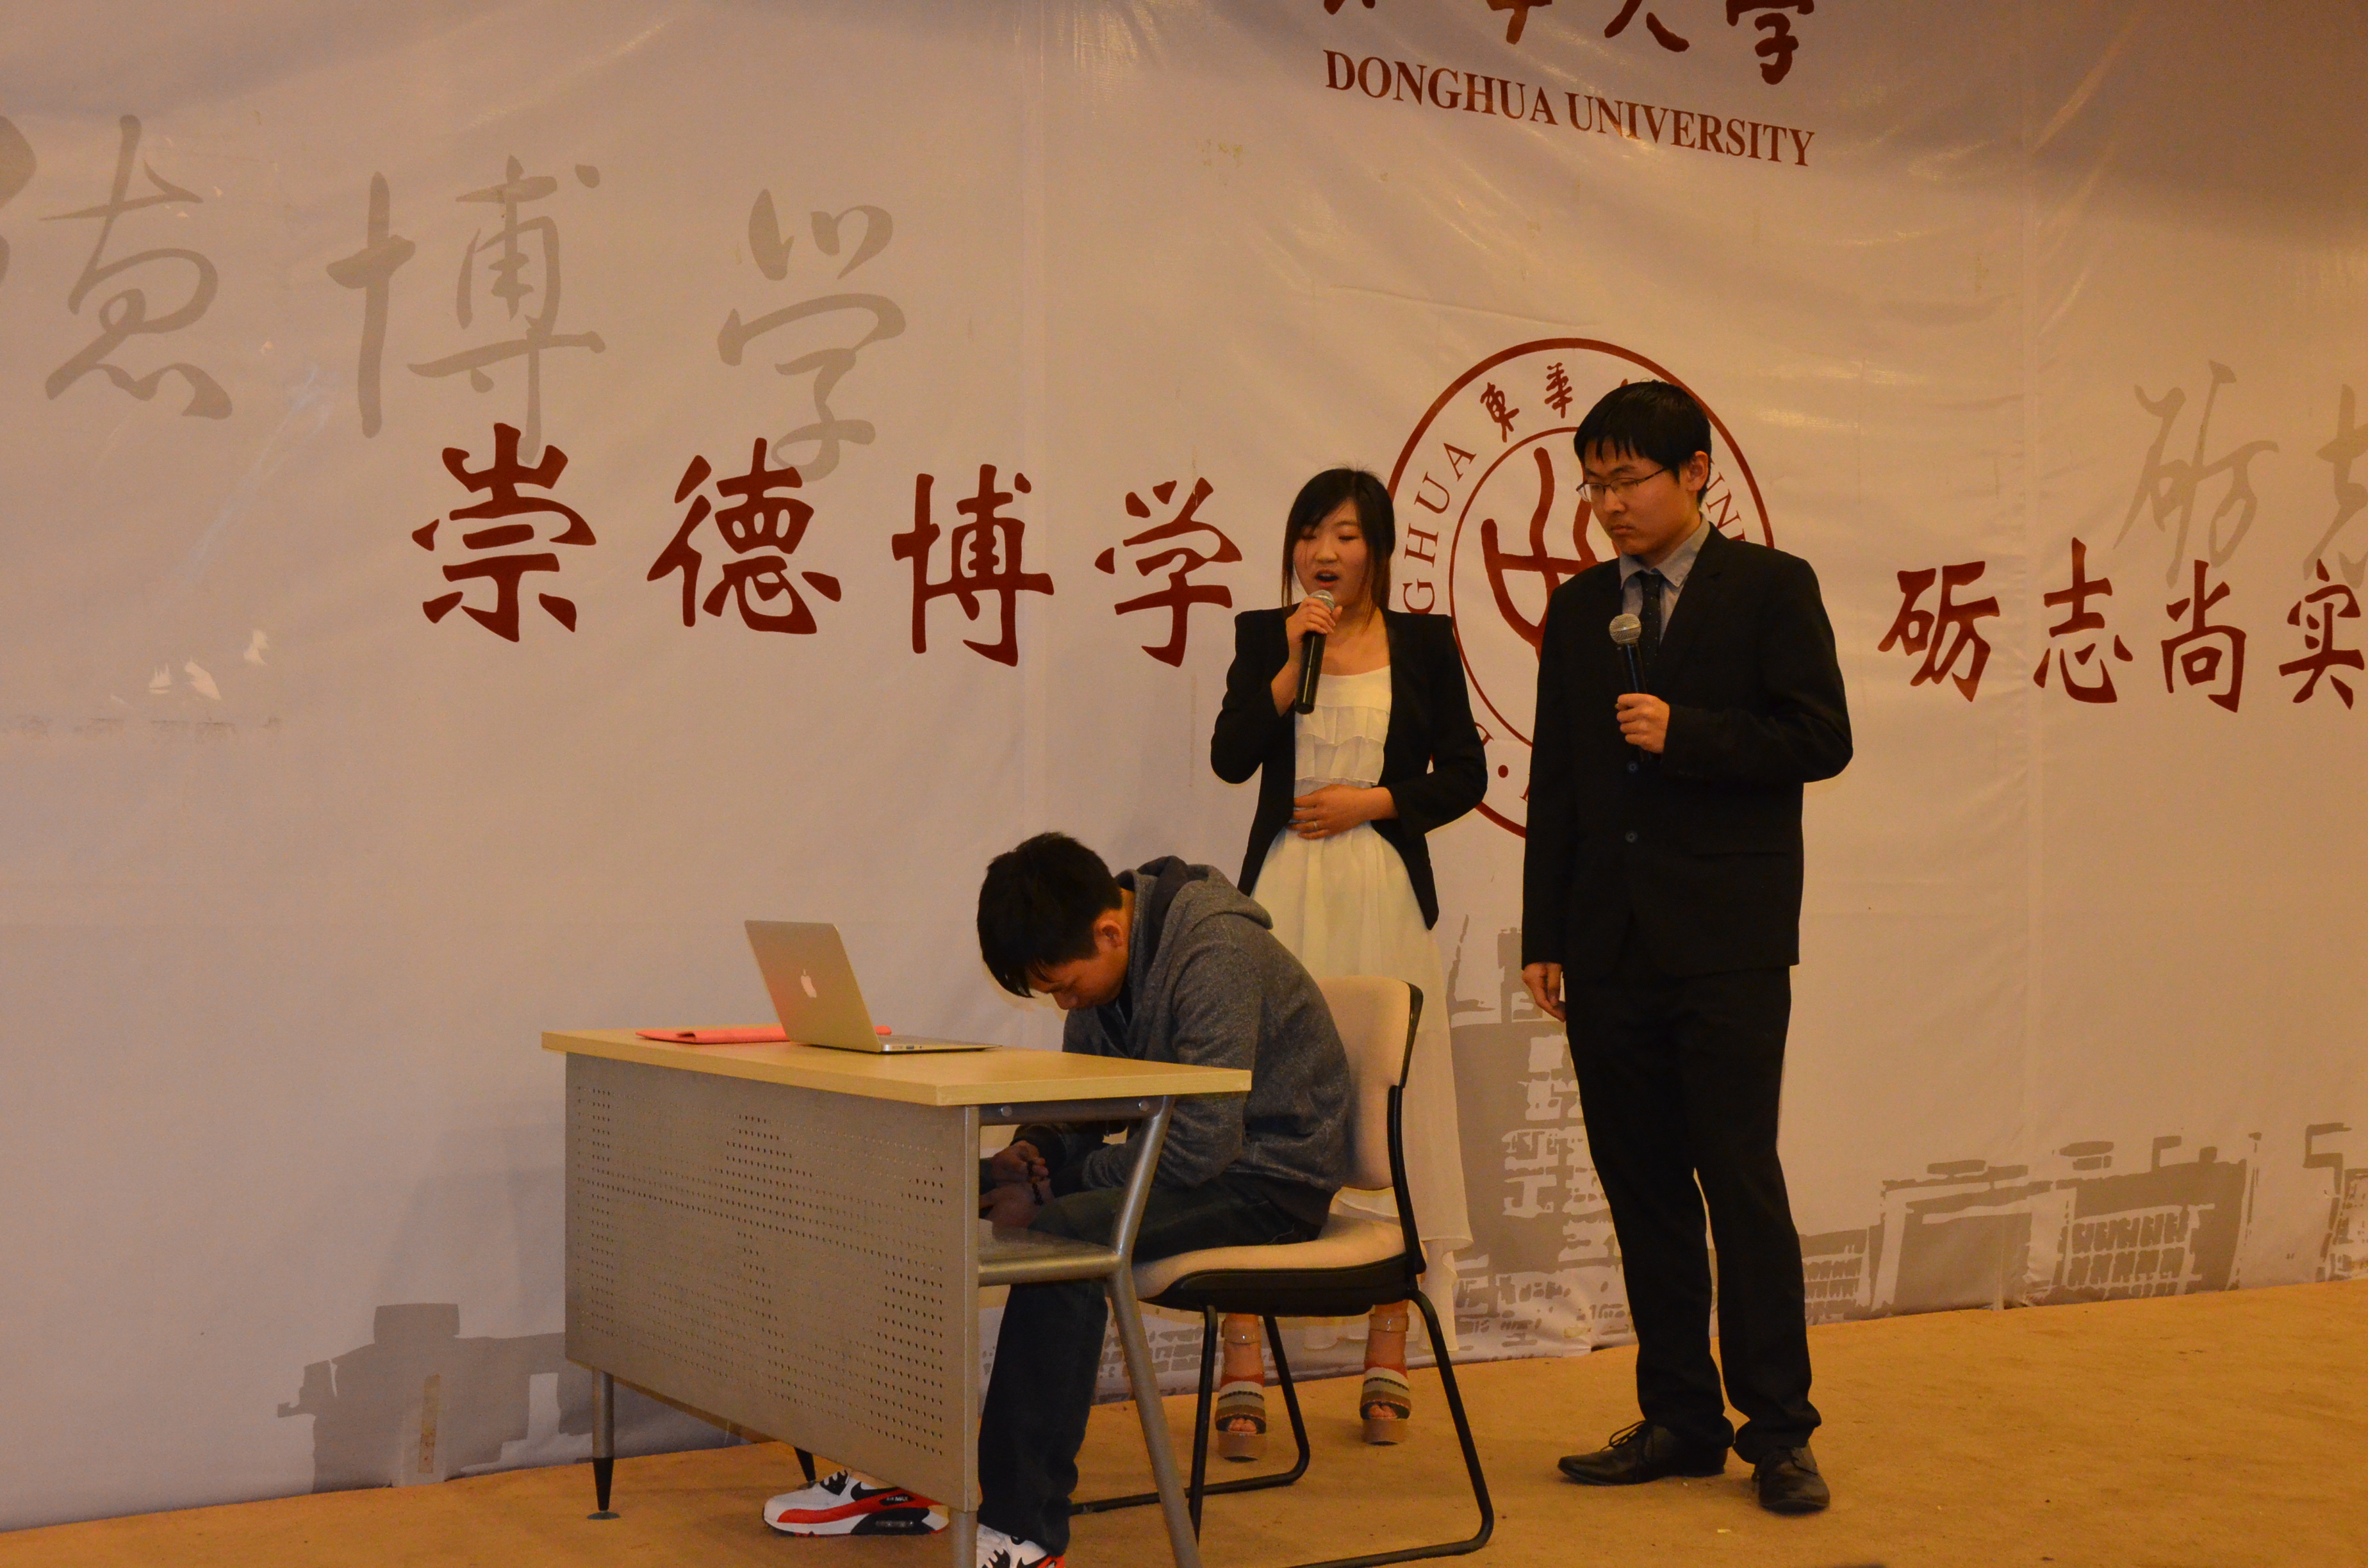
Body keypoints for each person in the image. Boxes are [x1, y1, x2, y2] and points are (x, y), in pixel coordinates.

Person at [1521, 381, 1851, 1517]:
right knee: (1643, 1187)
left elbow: (1821, 737)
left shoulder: (1771, 586)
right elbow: (1558, 777)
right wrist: (1546, 932)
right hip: (1608, 941)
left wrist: (1688, 732)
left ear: (1695, 472)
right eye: (1594, 485)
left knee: (1738, 1180)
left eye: (1628, 480)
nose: (1609, 504)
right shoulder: (1579, 609)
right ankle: (1679, 1418)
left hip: (1727, 941)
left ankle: (1780, 1432)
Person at [970, 834, 1351, 1567]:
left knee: (1068, 1235)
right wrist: (1036, 1152)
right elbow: (1087, 1102)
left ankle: (1024, 1528)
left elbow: (1202, 1146)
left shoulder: (1215, 953)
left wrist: (1055, 1188)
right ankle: (889, 1472)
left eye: (1064, 987)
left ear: (1110, 932)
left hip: (1271, 1183)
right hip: (1201, 1170)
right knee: (959, 1187)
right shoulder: (1109, 960)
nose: (1065, 1003)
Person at [1208, 468, 1486, 1453]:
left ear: (1381, 549)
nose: (1323, 553)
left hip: (1382, 892)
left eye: (1346, 535)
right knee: (1260, 1104)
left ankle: (1389, 1339)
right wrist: (1290, 666)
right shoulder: (1267, 636)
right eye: (1309, 534)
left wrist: (1375, 802)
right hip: (1284, 894)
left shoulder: (1426, 643)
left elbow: (1466, 773)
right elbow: (1232, 757)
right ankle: (1244, 1351)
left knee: (1390, 1105)